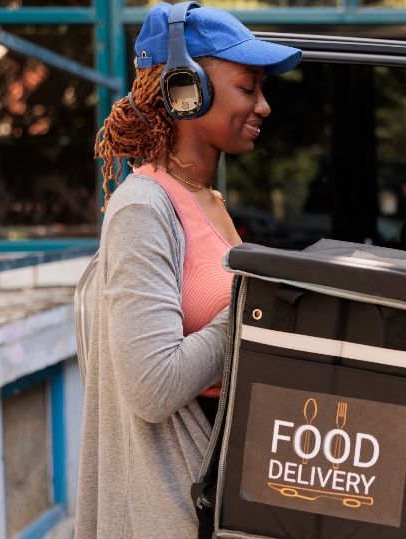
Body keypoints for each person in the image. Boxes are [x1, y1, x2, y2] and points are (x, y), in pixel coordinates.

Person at [75, 3, 301, 537]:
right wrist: (257, 309)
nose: (264, 105)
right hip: (178, 507)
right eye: (247, 88)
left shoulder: (208, 200)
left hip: (222, 497)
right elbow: (152, 387)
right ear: (186, 88)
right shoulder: (142, 209)